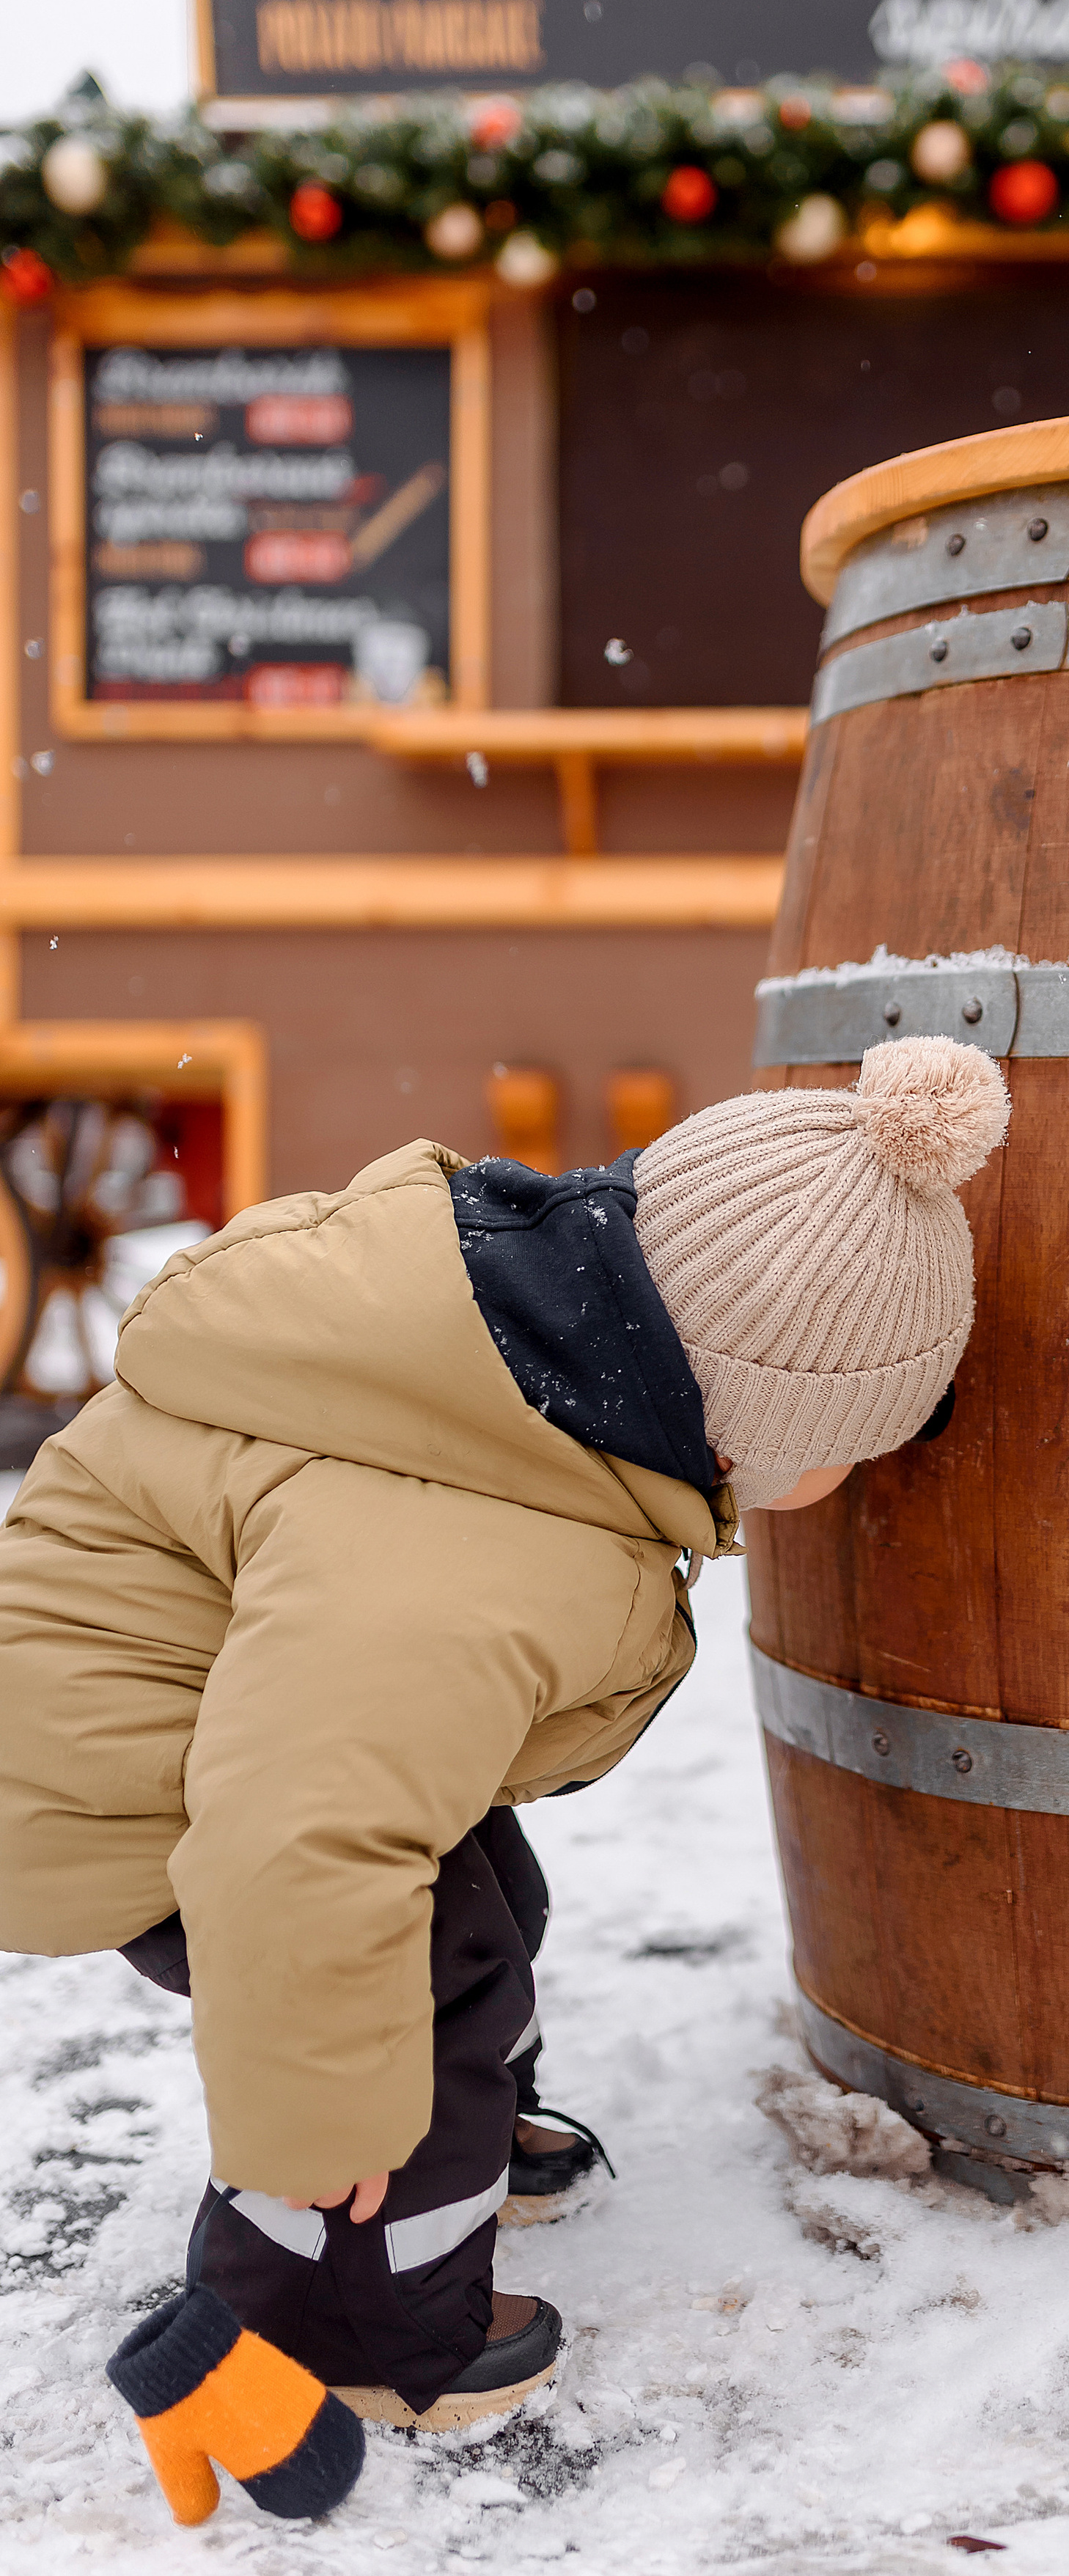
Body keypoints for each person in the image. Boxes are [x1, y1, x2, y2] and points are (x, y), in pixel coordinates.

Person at [0, 1035, 1007, 2430]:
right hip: (111, 1784)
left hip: (209, 1724)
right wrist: (322, 2121)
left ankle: (445, 2139)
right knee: (415, 1991)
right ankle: (354, 2320)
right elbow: (298, 1836)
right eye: (861, 1440)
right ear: (755, 1415)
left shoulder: (506, 1374)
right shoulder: (468, 1551)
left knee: (480, 1897)